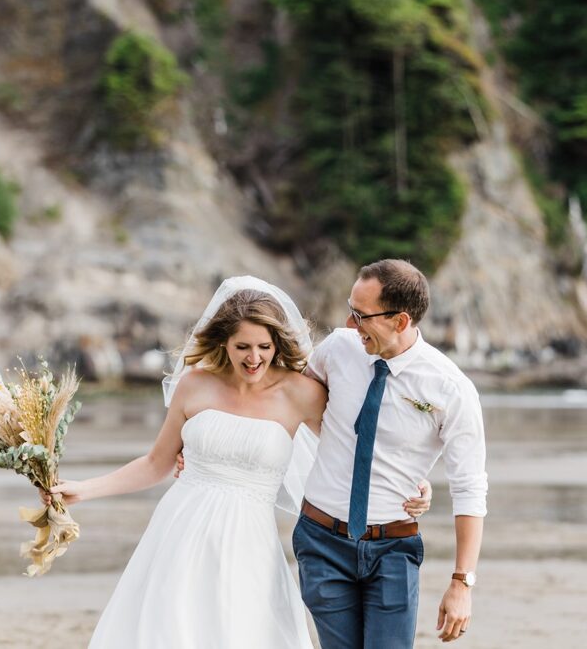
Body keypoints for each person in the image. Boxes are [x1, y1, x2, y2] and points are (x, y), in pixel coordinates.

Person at [40, 276, 432, 648]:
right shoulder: (194, 385)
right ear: (224, 342)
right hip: (180, 531)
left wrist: (413, 482)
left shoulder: (302, 394)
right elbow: (156, 463)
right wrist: (83, 489)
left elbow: (354, 449)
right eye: (243, 346)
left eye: (264, 346)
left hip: (250, 542)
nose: (254, 357)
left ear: (277, 343)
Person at [293, 259, 487, 648]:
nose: (350, 324)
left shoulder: (451, 389)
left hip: (393, 549)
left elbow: (469, 487)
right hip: (321, 541)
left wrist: (462, 582)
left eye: (361, 316)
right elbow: (287, 402)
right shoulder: (336, 350)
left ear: (400, 321)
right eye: (350, 310)